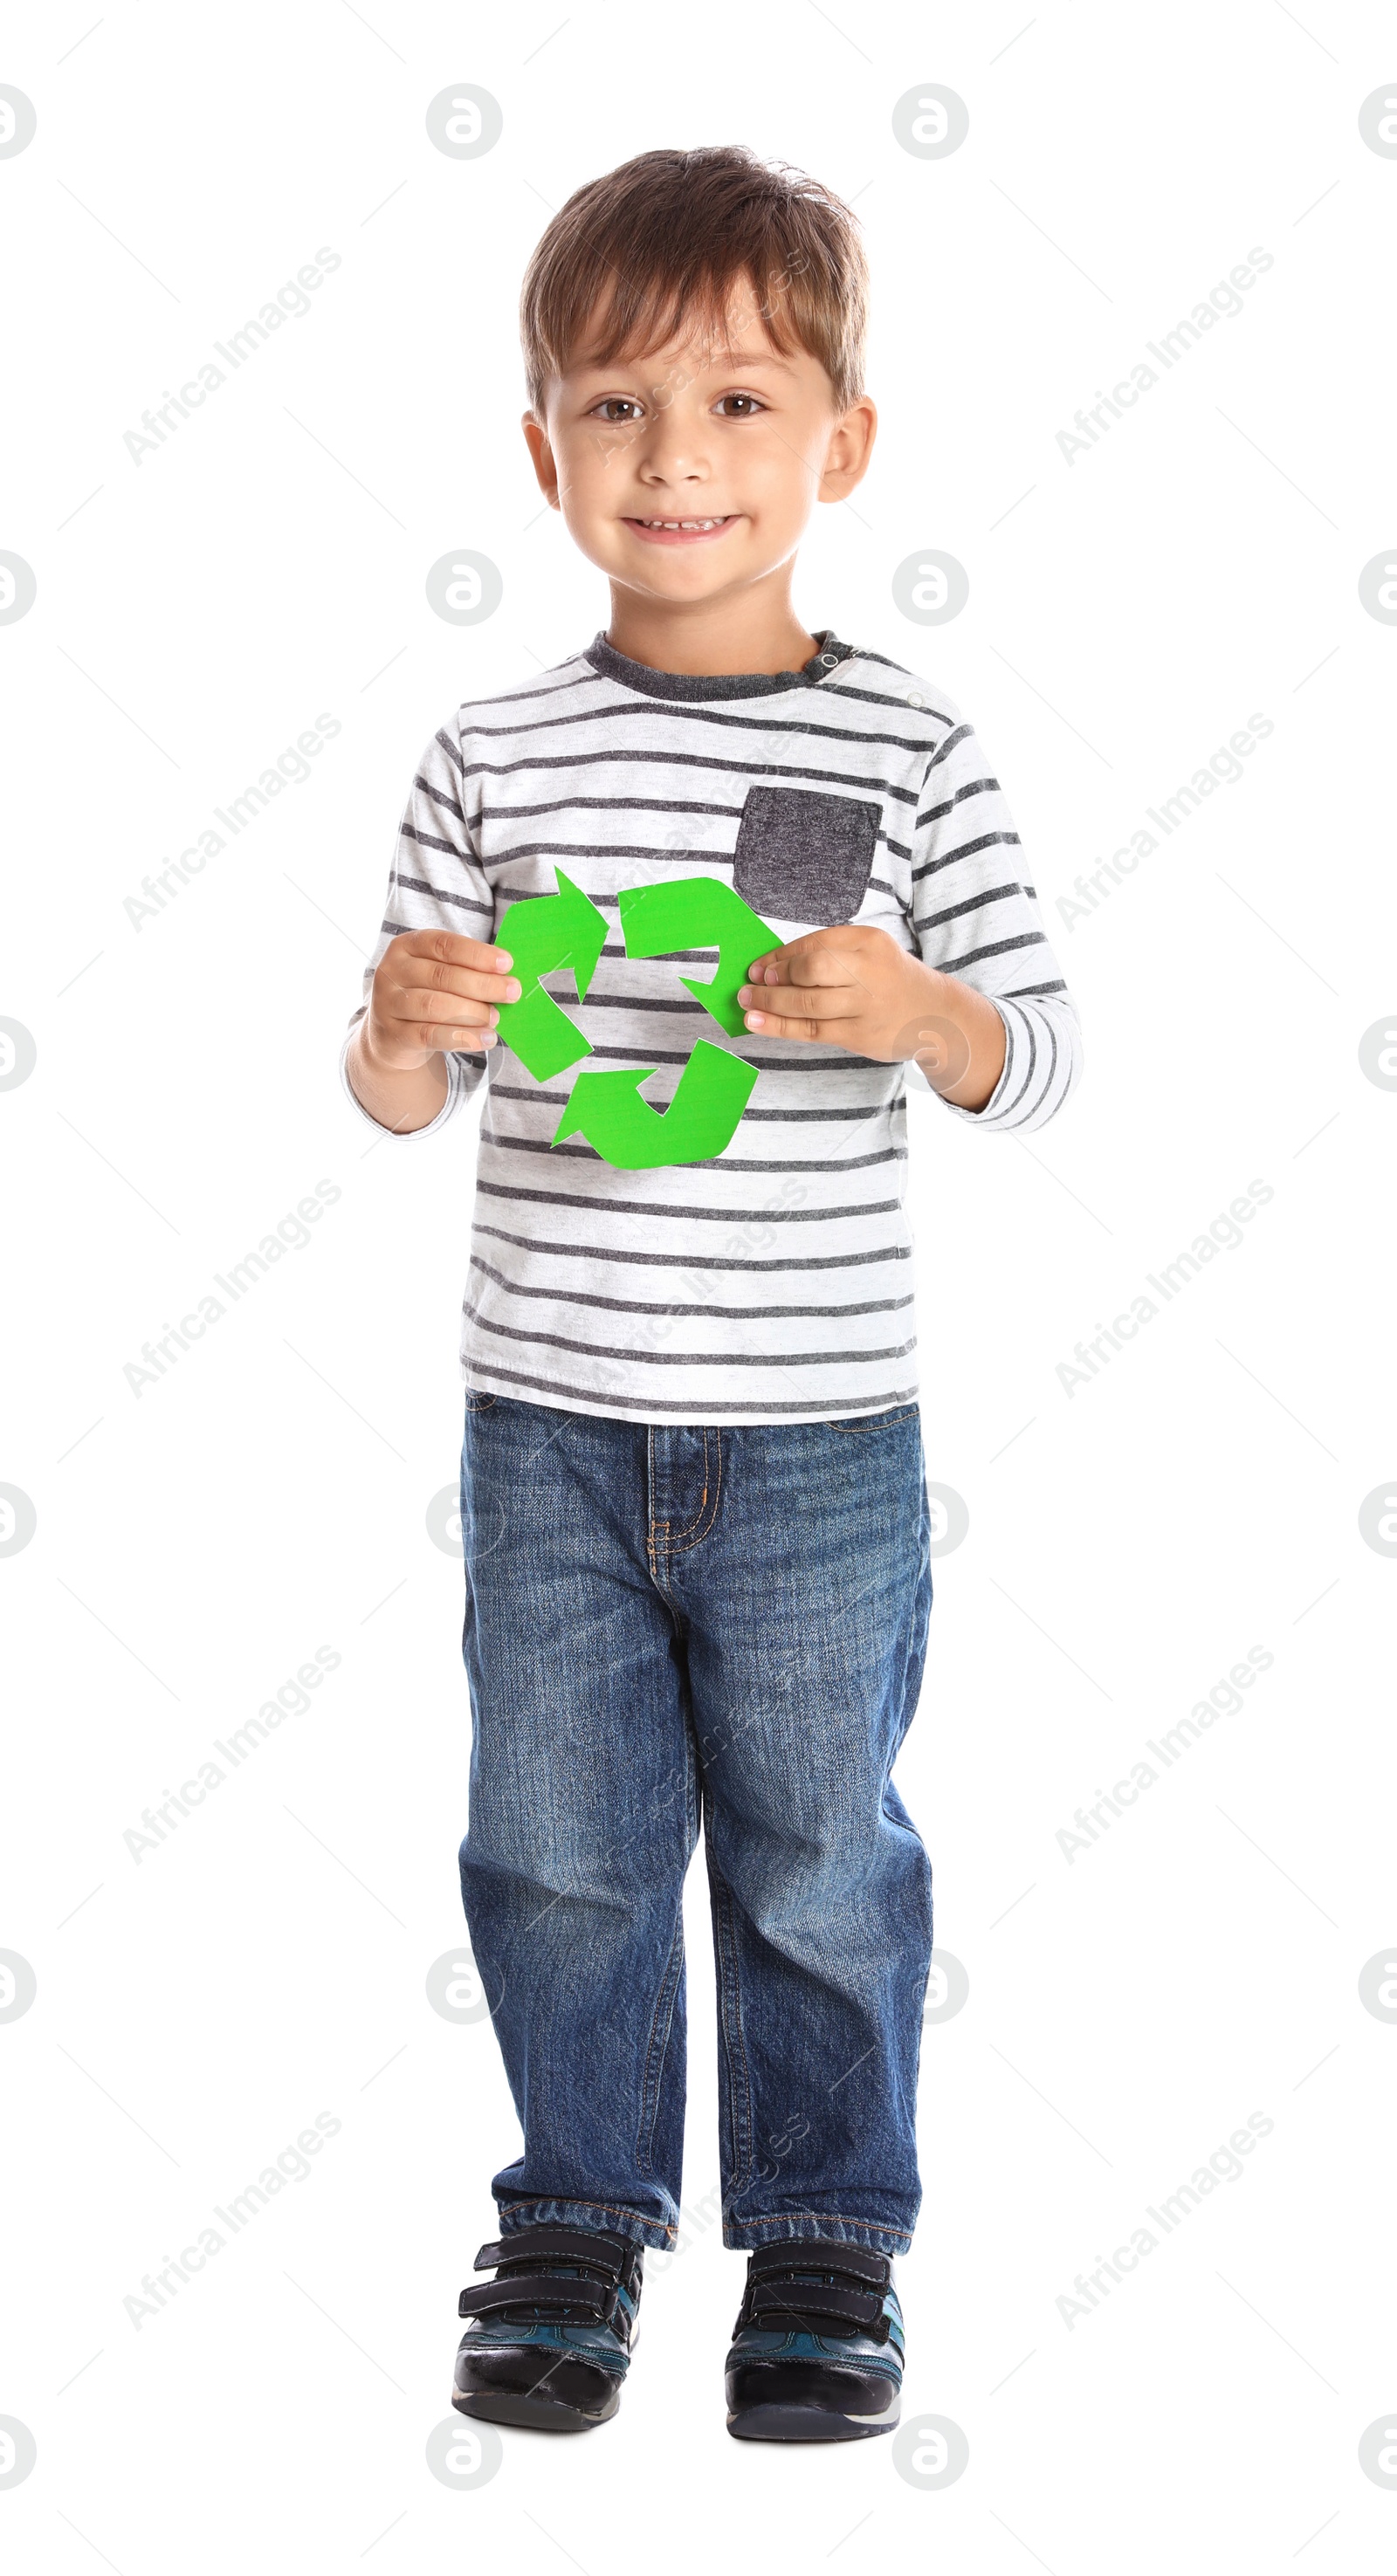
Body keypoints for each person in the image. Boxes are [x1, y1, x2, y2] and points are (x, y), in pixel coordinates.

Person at [341, 144, 1082, 2442]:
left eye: (743, 404)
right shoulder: (496, 753)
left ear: (840, 445)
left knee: (819, 1858)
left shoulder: (903, 754)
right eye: (617, 406)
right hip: (547, 1424)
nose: (678, 459)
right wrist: (398, 1023)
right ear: (541, 449)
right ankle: (577, 2209)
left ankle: (829, 2235)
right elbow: (394, 1098)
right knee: (555, 1850)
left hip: (817, 1437)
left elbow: (1035, 1060)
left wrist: (918, 1017)